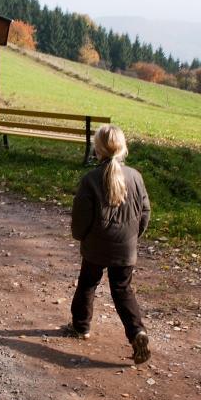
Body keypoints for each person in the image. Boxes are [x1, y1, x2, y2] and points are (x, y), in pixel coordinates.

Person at [69, 124, 152, 364]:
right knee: (122, 289)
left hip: (96, 245)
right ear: (123, 148)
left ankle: (81, 327)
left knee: (87, 283)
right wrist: (133, 237)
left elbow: (81, 217)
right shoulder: (135, 176)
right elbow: (145, 211)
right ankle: (137, 331)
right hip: (126, 246)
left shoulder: (90, 179)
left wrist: (81, 236)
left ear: (98, 150)